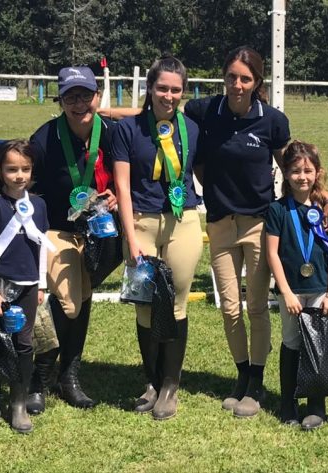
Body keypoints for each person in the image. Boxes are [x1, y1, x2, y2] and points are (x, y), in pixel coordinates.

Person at [183, 46, 328, 418]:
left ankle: (256, 382)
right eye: (232, 77)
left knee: (255, 307)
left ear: (257, 82)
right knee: (229, 308)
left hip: (258, 225)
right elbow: (161, 113)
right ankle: (242, 375)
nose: (237, 85)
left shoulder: (272, 121)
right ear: (223, 76)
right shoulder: (204, 111)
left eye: (246, 79)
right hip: (220, 224)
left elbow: (296, 168)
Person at [0, 66, 117, 413]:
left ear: (97, 96)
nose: (79, 103)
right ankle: (40, 376)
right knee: (70, 302)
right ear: (60, 100)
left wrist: (112, 194)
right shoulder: (45, 138)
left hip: (100, 233)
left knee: (81, 297)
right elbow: (16, 184)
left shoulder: (112, 132)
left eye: (85, 95)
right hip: (56, 232)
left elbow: (129, 174)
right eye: (70, 97)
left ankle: (67, 375)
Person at [112, 55, 203, 420]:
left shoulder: (192, 128)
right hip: (141, 224)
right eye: (162, 88)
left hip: (183, 222)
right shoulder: (128, 129)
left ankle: (170, 385)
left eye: (175, 89)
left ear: (183, 92)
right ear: (149, 88)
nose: (168, 95)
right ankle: (151, 381)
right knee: (145, 305)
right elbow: (121, 186)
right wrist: (130, 236)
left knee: (177, 304)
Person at [0, 139, 51, 434]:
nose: (19, 175)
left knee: (24, 341)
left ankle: (18, 402)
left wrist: (41, 283)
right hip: (2, 282)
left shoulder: (39, 204)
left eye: (25, 169)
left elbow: (41, 246)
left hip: (30, 283)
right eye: (12, 169)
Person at [265, 140, 328, 430]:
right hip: (292, 292)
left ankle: (316, 404)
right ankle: (288, 402)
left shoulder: (326, 211)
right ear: (285, 173)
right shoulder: (277, 210)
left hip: (320, 289)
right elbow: (272, 254)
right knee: (292, 343)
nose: (302, 177)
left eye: (308, 171)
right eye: (296, 171)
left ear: (317, 173)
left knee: (318, 345)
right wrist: (286, 292)